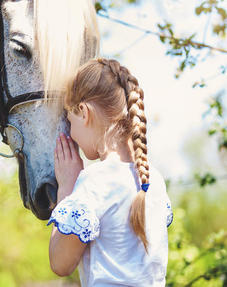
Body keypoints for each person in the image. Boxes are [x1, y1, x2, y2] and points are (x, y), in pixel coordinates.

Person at [47, 58, 173, 286]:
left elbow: (60, 264)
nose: (70, 134)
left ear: (83, 112)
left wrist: (66, 188)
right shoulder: (154, 179)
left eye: (69, 120)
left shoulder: (94, 181)